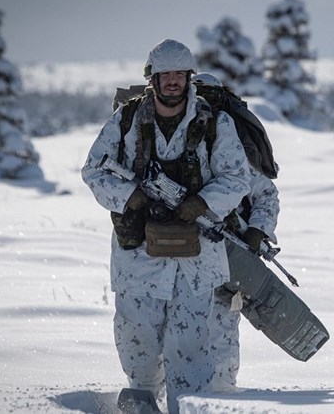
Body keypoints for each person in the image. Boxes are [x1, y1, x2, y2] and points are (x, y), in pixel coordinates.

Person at [81, 39, 251, 413]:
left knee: (192, 349)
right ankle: (141, 402)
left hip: (198, 260)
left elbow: (237, 178)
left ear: (188, 77)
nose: (173, 82)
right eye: (165, 75)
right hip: (138, 257)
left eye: (179, 75)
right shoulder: (126, 121)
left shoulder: (213, 122)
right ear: (152, 79)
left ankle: (187, 406)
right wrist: (131, 198)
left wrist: (201, 204)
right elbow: (94, 171)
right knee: (136, 341)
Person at [192, 72, 281, 392]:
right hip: (181, 252)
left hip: (230, 254)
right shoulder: (176, 143)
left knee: (221, 326)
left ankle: (221, 396)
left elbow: (266, 194)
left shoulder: (238, 149)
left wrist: (256, 231)